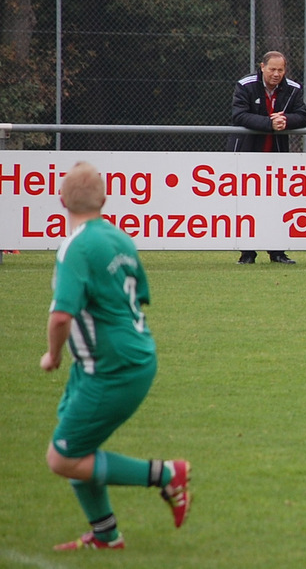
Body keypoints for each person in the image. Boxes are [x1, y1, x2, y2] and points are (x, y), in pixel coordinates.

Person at [42, 161, 191, 550]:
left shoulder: (76, 247)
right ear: (105, 199)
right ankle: (106, 535)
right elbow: (140, 296)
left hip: (113, 366)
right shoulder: (120, 239)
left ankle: (165, 475)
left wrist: (52, 356)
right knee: (76, 444)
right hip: (115, 358)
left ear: (61, 201)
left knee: (62, 457)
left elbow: (61, 316)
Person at [229, 50, 306, 265]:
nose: (276, 74)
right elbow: (239, 115)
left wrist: (285, 120)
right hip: (247, 153)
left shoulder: (293, 88)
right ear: (262, 67)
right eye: (272, 69)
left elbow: (303, 117)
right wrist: (269, 123)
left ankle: (277, 252)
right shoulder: (245, 85)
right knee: (246, 204)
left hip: (276, 156)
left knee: (277, 204)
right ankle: (247, 253)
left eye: (280, 70)